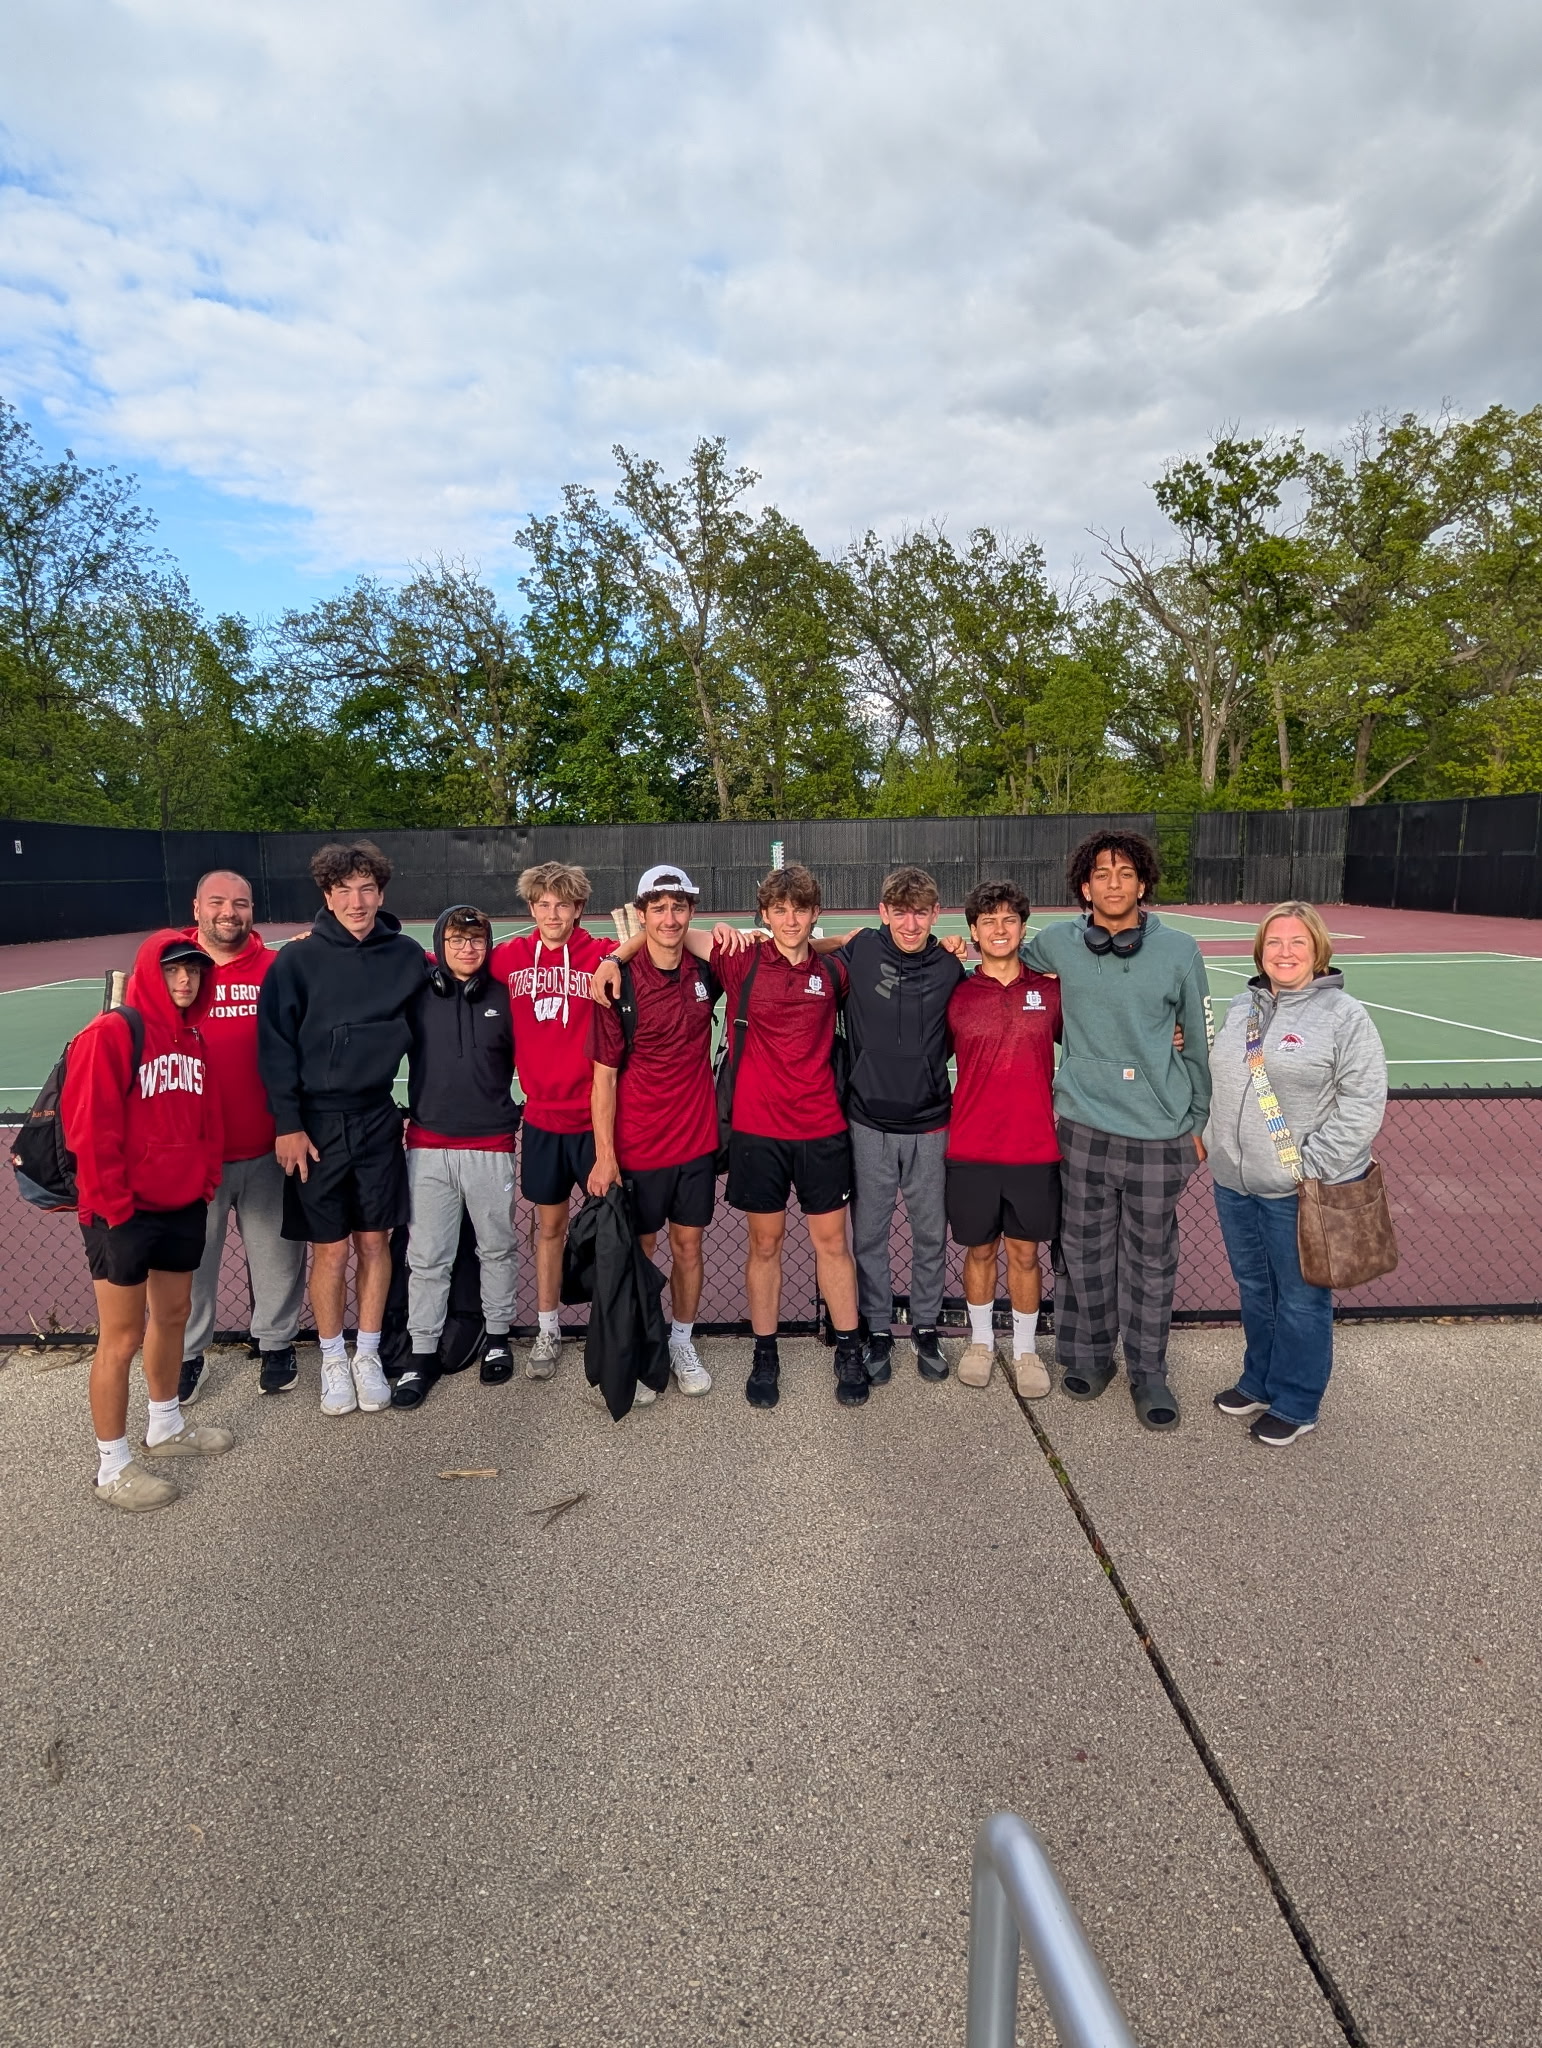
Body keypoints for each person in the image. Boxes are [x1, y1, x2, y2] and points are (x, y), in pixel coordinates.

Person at [1023, 833, 1213, 1432]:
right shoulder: (1056, 943)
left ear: (1142, 884)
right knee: (1082, 1255)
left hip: (1159, 1134)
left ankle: (1148, 1371)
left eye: (1124, 873)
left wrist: (1198, 1122)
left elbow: (1200, 1042)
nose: (1112, 883)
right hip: (1082, 1127)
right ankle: (1088, 1355)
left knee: (1151, 1262)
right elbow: (1003, 959)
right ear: (1085, 887)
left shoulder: (1181, 951)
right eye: (1101, 874)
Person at [61, 931, 234, 1512]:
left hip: (181, 1204)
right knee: (122, 1337)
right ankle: (111, 1467)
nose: (185, 982)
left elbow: (208, 1121)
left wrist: (205, 1180)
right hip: (122, 1211)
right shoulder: (113, 1033)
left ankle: (165, 1425)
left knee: (174, 1316)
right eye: (173, 971)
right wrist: (113, 1207)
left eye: (194, 972)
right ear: (148, 972)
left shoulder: (195, 1040)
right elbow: (91, 1130)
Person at [1205, 901, 1387, 1447]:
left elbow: (1363, 1101)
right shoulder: (1243, 1007)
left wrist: (1312, 1166)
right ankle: (1259, 1381)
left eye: (1297, 943)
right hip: (1235, 1183)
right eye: (1275, 943)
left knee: (1303, 1299)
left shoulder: (1344, 1017)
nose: (1284, 953)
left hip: (1299, 1190)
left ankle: (1297, 1400)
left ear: (1317, 951)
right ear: (1260, 951)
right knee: (1256, 1289)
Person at [257, 841, 426, 1419]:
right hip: (316, 1125)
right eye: (344, 890)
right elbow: (275, 1047)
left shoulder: (406, 956)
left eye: (367, 889)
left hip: (378, 1118)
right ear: (327, 896)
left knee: (375, 1243)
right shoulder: (296, 962)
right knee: (329, 1251)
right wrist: (288, 1124)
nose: (357, 901)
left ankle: (368, 1354)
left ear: (381, 893)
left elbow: (445, 1000)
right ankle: (332, 1357)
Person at [712, 863, 866, 1410]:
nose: (791, 918)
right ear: (765, 914)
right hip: (758, 1131)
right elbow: (673, 931)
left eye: (800, 908)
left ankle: (848, 1348)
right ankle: (765, 1351)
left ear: (815, 911)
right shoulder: (741, 960)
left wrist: (841, 940)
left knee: (833, 1245)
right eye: (780, 909)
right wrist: (615, 956)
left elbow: (876, 948)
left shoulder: (835, 972)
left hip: (823, 1128)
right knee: (765, 1245)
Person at [817, 866, 966, 1385]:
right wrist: (841, 937)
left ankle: (925, 1326)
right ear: (882, 913)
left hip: (930, 1123)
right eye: (899, 911)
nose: (909, 922)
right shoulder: (858, 953)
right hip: (868, 1124)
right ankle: (876, 1328)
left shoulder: (951, 966)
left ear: (934, 914)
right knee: (870, 1239)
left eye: (920, 912)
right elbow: (794, 950)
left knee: (930, 1234)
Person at [585, 865, 723, 1399]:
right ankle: (641, 1346)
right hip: (639, 1144)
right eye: (657, 908)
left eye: (679, 907)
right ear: (641, 914)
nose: (669, 918)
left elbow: (782, 946)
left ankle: (682, 1341)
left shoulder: (706, 971)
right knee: (639, 1250)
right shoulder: (617, 986)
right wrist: (605, 1155)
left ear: (690, 912)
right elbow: (604, 1080)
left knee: (688, 1245)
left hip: (695, 1140)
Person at [177, 870, 308, 1403]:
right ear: (197, 908)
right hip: (193, 1155)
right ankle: (187, 1356)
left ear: (252, 910)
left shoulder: (277, 969)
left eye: (240, 903)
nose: (229, 912)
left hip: (267, 1145)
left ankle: (276, 1346)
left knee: (278, 1255)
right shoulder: (176, 969)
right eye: (217, 902)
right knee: (190, 1264)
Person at [490, 863, 617, 1383]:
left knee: (610, 1228)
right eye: (542, 904)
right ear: (531, 909)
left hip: (594, 1120)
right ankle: (547, 1327)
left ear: (578, 909)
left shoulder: (600, 954)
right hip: (541, 1119)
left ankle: (611, 1329)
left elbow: (639, 950)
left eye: (562, 904)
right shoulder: (510, 958)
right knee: (549, 1228)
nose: (552, 914)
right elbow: (451, 959)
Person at [393, 905, 521, 1410]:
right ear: (440, 944)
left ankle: (496, 1336)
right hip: (427, 1148)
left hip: (490, 1144)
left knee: (496, 1248)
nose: (467, 948)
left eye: (476, 939)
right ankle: (421, 1353)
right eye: (456, 939)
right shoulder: (418, 992)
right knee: (427, 1257)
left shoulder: (504, 997)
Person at [945, 881, 1062, 1400]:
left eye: (1008, 919)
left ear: (1022, 927)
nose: (998, 928)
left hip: (1034, 1148)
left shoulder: (1053, 990)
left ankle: (1026, 1350)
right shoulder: (957, 993)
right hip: (970, 1147)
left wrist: (1170, 1033)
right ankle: (980, 1343)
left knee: (1025, 1254)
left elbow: (1103, 1035)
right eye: (987, 920)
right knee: (978, 1252)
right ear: (972, 931)